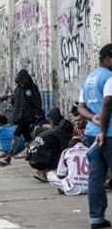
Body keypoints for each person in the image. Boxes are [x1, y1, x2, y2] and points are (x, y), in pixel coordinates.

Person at [78, 43, 112, 229]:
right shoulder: (110, 77)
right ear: (108, 59)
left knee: (96, 177)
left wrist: (93, 119)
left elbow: (80, 107)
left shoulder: (89, 78)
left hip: (92, 134)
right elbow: (107, 103)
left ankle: (96, 218)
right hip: (108, 135)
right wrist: (103, 129)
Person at [0, 69, 42, 167]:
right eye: (20, 82)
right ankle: (35, 153)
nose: (22, 84)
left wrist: (36, 113)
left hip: (29, 116)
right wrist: (16, 118)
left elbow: (37, 102)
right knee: (28, 138)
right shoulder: (18, 89)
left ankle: (9, 156)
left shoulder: (32, 89)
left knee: (16, 134)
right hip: (20, 117)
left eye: (23, 82)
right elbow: (17, 105)